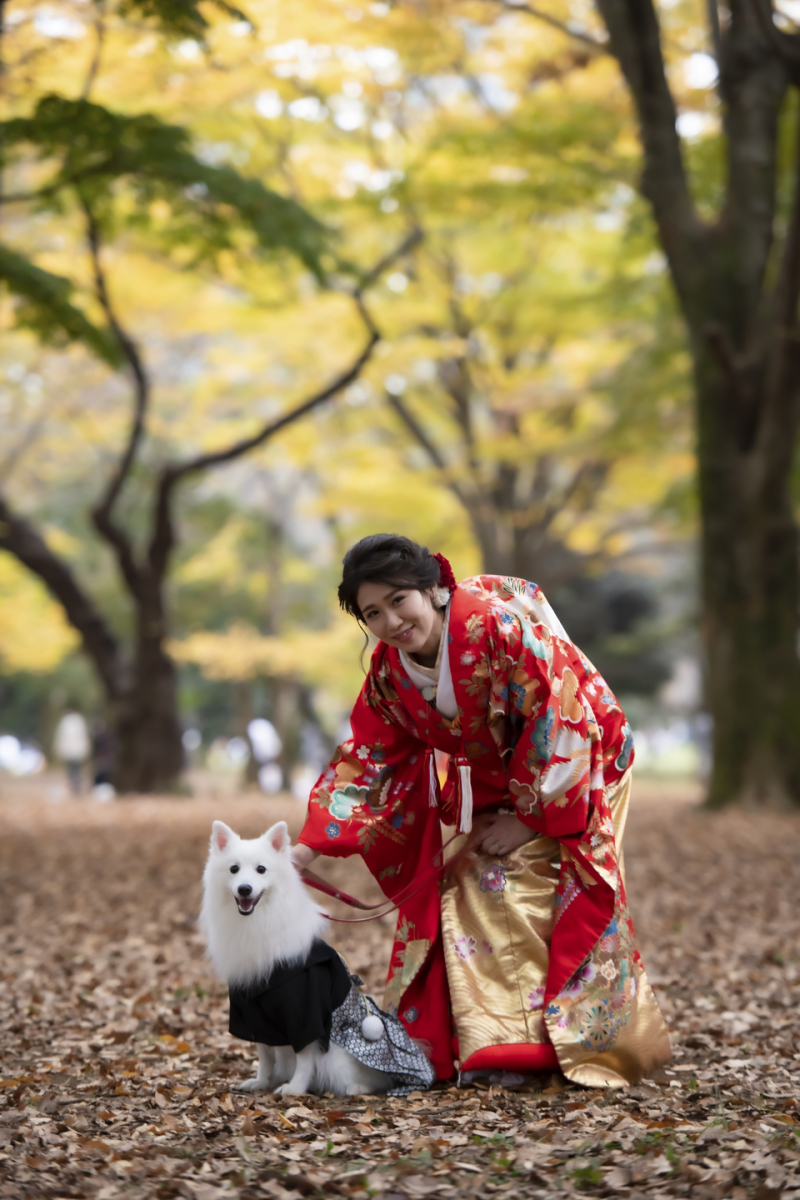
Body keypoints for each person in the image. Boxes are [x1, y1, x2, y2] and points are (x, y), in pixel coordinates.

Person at [292, 535, 670, 1088]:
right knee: (468, 883)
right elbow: (369, 759)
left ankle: (574, 1045)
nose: (392, 621)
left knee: (544, 882)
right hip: (508, 780)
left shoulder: (498, 629)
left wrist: (529, 818)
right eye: (373, 612)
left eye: (400, 601)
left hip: (581, 764)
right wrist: (306, 847)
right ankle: (500, 1044)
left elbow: (560, 718)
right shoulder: (389, 675)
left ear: (436, 590)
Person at [53, 708, 91, 796]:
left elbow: (60, 737)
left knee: (72, 770)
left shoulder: (65, 721)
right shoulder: (79, 720)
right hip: (77, 750)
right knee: (76, 770)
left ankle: (74, 786)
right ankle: (76, 787)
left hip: (70, 750)